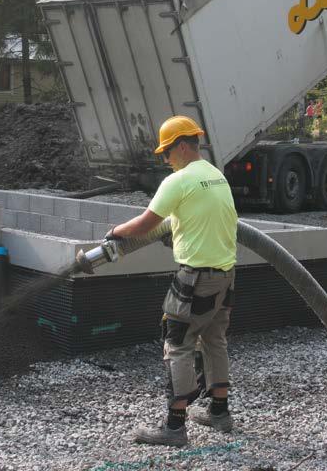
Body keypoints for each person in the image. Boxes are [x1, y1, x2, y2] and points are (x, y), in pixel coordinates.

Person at [105, 115, 238, 447]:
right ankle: (220, 413)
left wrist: (114, 233)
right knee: (214, 339)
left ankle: (175, 427)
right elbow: (200, 218)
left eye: (166, 152)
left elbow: (144, 224)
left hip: (197, 279)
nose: (165, 160)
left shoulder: (178, 181)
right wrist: (179, 232)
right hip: (226, 276)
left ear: (181, 147)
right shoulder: (215, 175)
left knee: (177, 343)